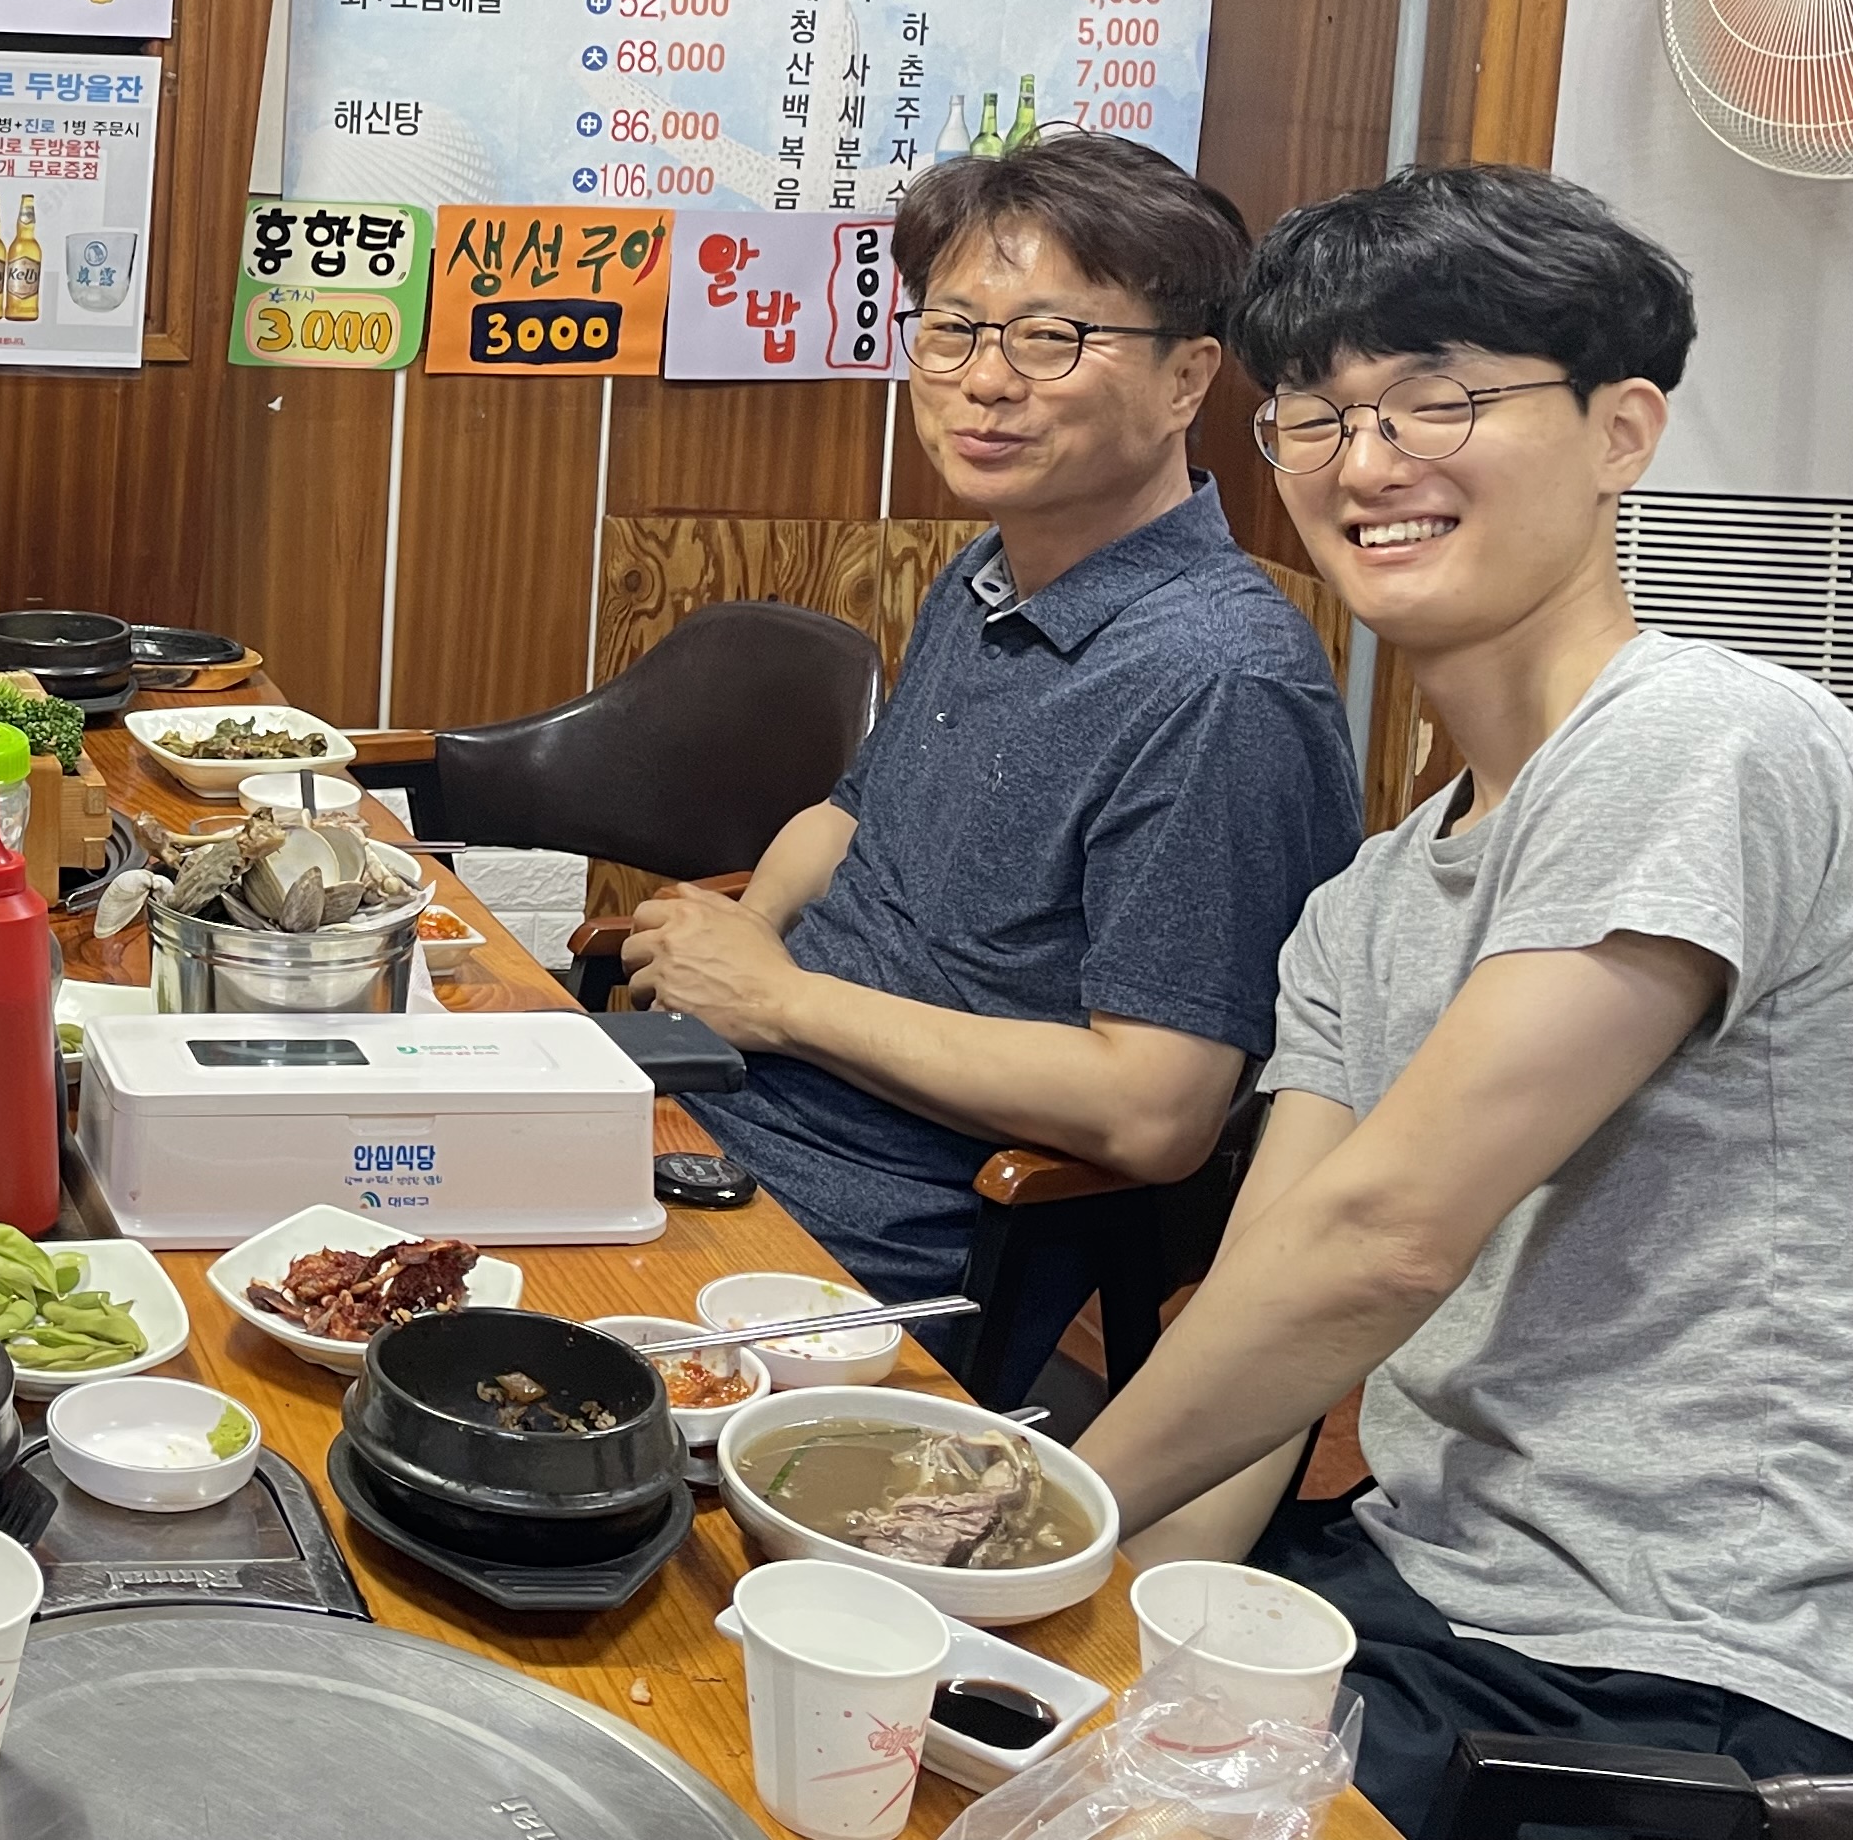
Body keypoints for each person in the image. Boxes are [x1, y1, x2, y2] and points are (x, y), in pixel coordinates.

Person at [1076, 165, 1853, 1821]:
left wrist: (1033, 1519)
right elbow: (1274, 1302)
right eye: (1315, 415)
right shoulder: (1364, 903)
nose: (1366, 463)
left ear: (1620, 430)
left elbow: (1386, 1241)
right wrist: (1088, 1619)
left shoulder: (1702, 734)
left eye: (1439, 399)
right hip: (1423, 1595)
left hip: (1684, 1670)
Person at [625, 131, 1363, 1388]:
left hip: (875, 1227)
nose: (984, 382)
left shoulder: (1220, 682)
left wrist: (779, 1000)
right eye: (955, 331)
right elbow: (849, 820)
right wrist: (734, 938)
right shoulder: (992, 575)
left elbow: (1157, 1109)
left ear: (1187, 379)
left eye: (1050, 340)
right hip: (722, 1104)